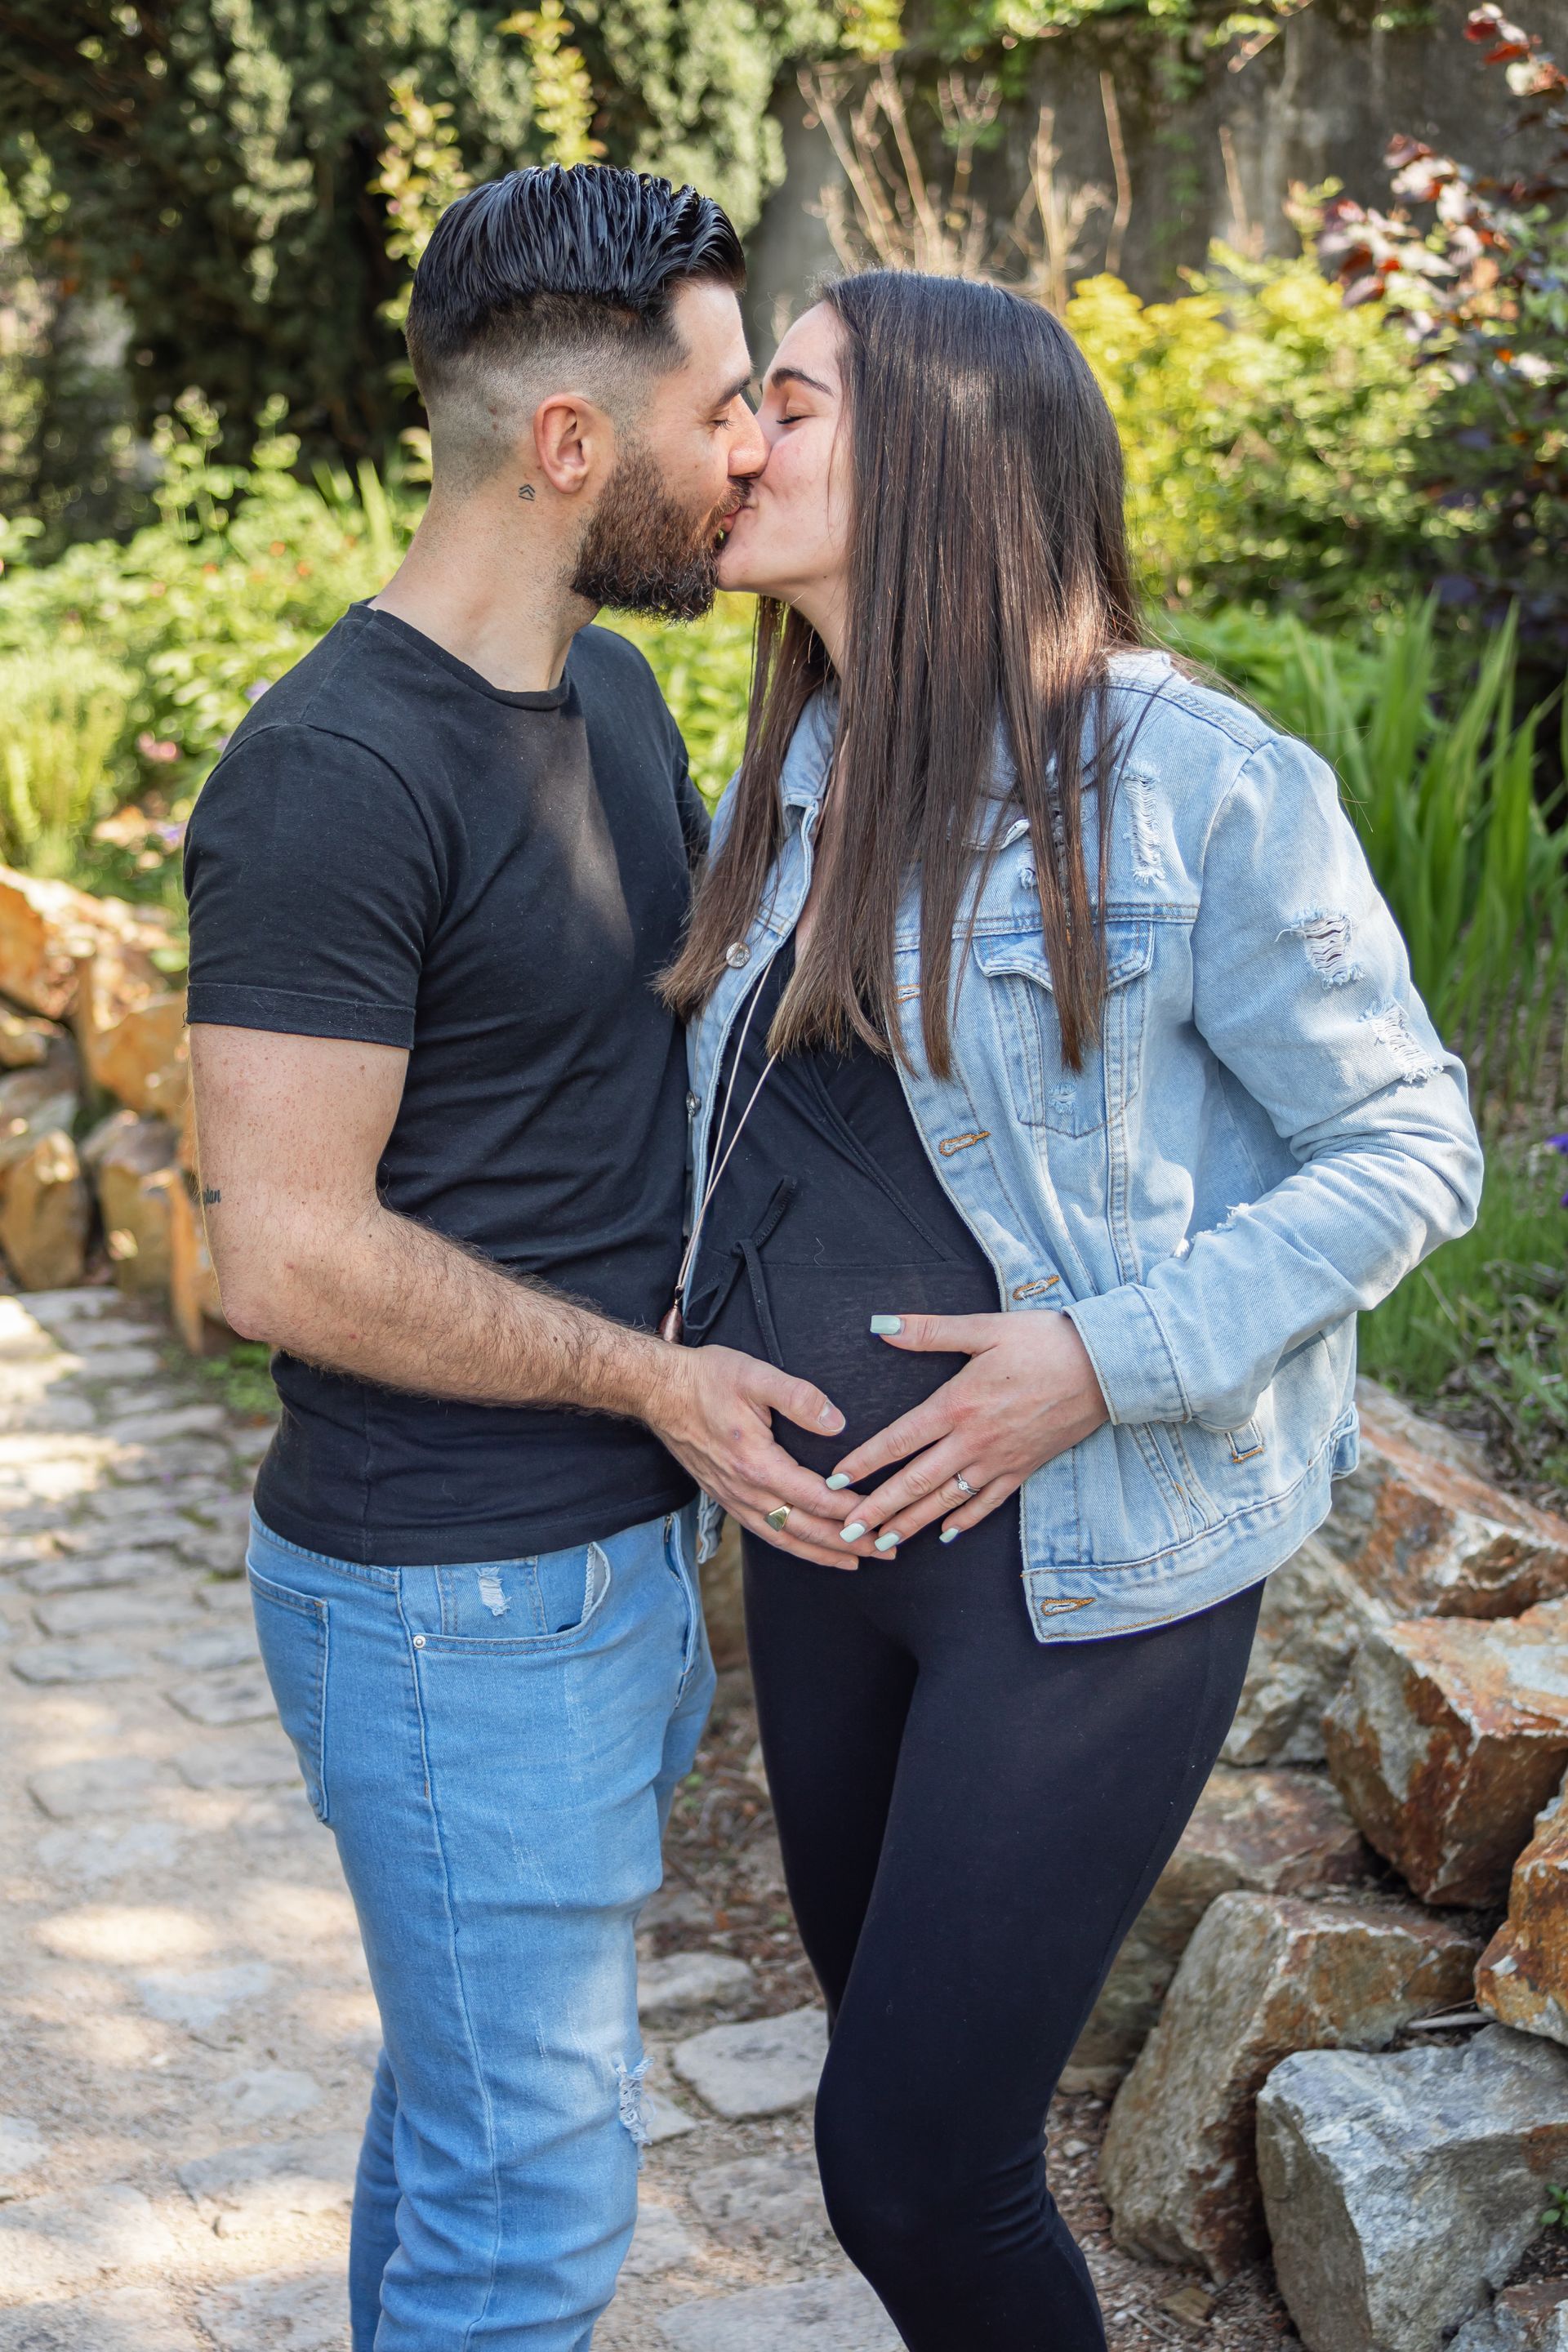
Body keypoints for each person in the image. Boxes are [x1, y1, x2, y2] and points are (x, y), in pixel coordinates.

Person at [662, 270, 1484, 2351]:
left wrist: (1098, 1361)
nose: (744, 441)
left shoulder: (1191, 778)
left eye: (794, 402)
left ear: (945, 445)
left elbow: (1409, 1147)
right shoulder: (798, 769)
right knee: (907, 2134)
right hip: (831, 1566)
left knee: (913, 2173)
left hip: (1084, 1582)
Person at [182, 165, 878, 2352]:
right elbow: (278, 1254)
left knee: (473, 2132)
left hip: (590, 1580)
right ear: (567, 447)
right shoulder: (331, 774)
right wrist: (653, 1382)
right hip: (450, 1600)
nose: (750, 450)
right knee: (534, 2209)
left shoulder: (621, 709)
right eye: (714, 416)